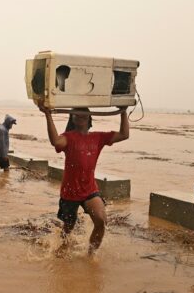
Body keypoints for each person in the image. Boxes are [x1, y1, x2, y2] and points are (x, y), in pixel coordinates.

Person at [39, 104, 129, 255]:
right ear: (72, 118)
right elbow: (55, 141)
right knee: (68, 229)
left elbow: (124, 134)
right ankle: (60, 253)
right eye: (77, 114)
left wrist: (123, 111)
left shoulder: (98, 137)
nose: (80, 116)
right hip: (70, 193)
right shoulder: (68, 137)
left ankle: (90, 256)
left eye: (83, 114)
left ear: (89, 117)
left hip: (90, 190)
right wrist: (48, 115)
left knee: (101, 221)